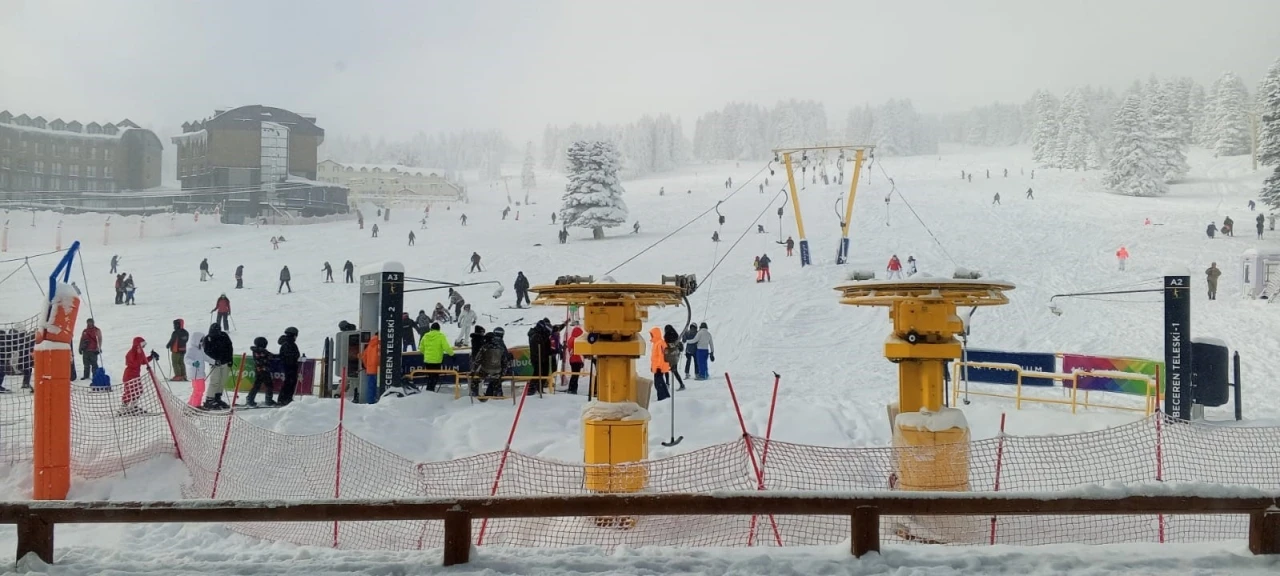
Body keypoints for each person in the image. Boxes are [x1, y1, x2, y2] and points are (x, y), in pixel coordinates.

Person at [120, 336, 158, 415]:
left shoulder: (140, 352)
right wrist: (138, 353)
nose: (143, 347)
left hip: (136, 374)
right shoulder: (131, 353)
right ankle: (123, 408)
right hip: (129, 374)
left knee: (139, 390)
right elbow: (134, 362)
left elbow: (143, 361)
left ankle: (133, 407)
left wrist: (151, 357)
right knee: (129, 391)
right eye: (142, 345)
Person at [472, 327, 512, 398]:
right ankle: (498, 395)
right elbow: (505, 361)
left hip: (485, 372)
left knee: (476, 380)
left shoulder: (484, 347)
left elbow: (477, 360)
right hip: (497, 372)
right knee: (496, 381)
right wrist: (502, 373)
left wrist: (474, 371)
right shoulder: (500, 347)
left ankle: (475, 395)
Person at [202, 324, 234, 410]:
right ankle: (209, 399)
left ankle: (217, 397)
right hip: (215, 363)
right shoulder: (208, 338)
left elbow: (229, 347)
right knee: (215, 381)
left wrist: (230, 359)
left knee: (222, 381)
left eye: (218, 330)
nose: (216, 332)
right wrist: (214, 360)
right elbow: (207, 351)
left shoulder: (224, 335)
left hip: (225, 362)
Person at [418, 322, 454, 392]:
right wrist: (452, 354)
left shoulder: (426, 335)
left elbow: (421, 348)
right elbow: (446, 347)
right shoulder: (441, 336)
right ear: (439, 329)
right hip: (436, 361)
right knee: (435, 376)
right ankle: (430, 390)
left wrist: (426, 354)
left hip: (427, 361)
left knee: (430, 376)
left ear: (431, 329)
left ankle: (429, 390)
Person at [247, 337, 277, 407]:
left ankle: (250, 399)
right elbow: (271, 356)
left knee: (256, 385)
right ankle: (268, 400)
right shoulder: (263, 351)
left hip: (258, 370)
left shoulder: (254, 351)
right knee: (269, 385)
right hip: (265, 371)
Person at [526, 319, 554, 395]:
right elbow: (538, 348)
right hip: (538, 358)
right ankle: (531, 390)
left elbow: (544, 346)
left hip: (542, 357)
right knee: (537, 373)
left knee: (543, 373)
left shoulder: (540, 334)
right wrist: (540, 357)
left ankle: (539, 388)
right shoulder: (535, 335)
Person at [276, 327, 301, 405]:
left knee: (288, 382)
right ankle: (285, 399)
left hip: (288, 366)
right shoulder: (289, 343)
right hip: (290, 366)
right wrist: (296, 358)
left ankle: (284, 399)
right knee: (290, 383)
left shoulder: (287, 343)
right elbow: (291, 355)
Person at [649, 327, 671, 401]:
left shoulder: (660, 343)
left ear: (655, 334)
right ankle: (666, 396)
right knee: (660, 382)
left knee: (658, 384)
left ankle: (662, 398)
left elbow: (661, 356)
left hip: (660, 367)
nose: (651, 336)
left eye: (652, 334)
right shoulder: (657, 343)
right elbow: (655, 357)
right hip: (658, 367)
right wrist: (653, 367)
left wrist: (658, 367)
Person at [663, 325, 685, 392]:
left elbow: (666, 346)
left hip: (668, 355)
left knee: (666, 369)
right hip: (675, 355)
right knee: (675, 371)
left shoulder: (666, 336)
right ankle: (681, 384)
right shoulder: (676, 336)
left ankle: (667, 384)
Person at [566, 323, 584, 394]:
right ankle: (573, 389)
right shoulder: (575, 340)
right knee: (575, 376)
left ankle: (571, 388)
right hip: (576, 359)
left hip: (572, 359)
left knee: (574, 375)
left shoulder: (570, 339)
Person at [361, 333, 379, 402]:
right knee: (378, 388)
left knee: (370, 388)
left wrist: (367, 367)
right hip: (378, 370)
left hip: (370, 371)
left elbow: (364, 357)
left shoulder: (369, 345)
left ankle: (370, 403)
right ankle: (378, 402)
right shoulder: (381, 344)